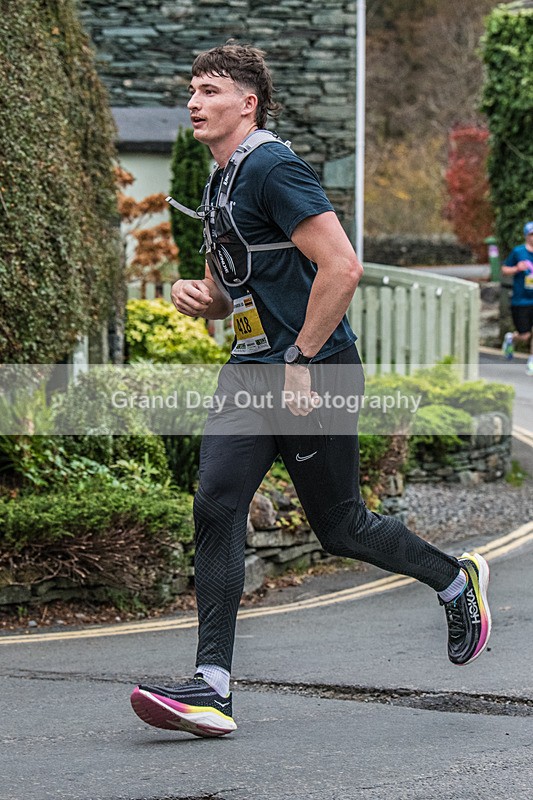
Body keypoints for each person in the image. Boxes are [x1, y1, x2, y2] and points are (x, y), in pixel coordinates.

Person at [130, 43, 492, 738]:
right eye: (192, 91)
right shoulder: (219, 179)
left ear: (248, 104)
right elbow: (236, 288)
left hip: (312, 368)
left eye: (209, 91)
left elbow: (342, 266)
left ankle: (453, 580)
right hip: (250, 368)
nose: (194, 103)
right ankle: (211, 688)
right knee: (216, 504)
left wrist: (299, 359)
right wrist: (205, 299)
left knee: (340, 526)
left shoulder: (272, 166)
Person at [501, 221, 533, 375]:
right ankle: (511, 338)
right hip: (521, 300)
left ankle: (531, 362)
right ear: (526, 236)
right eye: (531, 234)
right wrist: (517, 268)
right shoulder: (518, 252)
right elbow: (504, 270)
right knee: (525, 335)